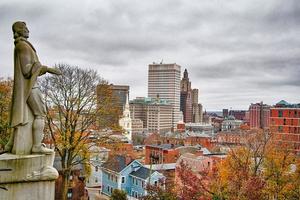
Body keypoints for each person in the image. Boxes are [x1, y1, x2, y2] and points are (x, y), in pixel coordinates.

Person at [5, 21, 61, 154]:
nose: (28, 30)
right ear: (19, 30)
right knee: (40, 114)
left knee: (23, 116)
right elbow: (26, 70)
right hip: (30, 87)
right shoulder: (23, 46)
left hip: (27, 87)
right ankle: (36, 146)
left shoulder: (22, 45)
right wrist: (47, 69)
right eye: (25, 28)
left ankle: (11, 145)